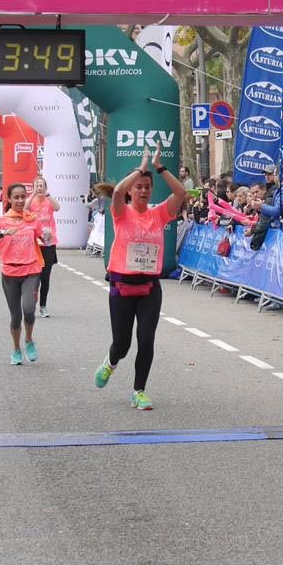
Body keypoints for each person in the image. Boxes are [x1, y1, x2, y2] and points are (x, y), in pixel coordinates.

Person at [94, 146, 187, 410]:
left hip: (149, 288)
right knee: (122, 344)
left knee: (146, 338)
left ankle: (139, 390)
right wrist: (140, 166)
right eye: (139, 187)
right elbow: (118, 192)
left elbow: (180, 193)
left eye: (147, 187)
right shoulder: (121, 212)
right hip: (122, 286)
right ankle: (111, 363)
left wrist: (159, 167)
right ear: (131, 191)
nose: (144, 190)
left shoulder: (158, 214)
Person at [0, 184, 44, 365]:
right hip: (10, 272)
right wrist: (1, 234)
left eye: (23, 197)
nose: (20, 200)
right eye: (16, 197)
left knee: (29, 310)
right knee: (16, 317)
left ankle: (29, 340)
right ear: (9, 199)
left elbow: (44, 236)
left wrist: (46, 235)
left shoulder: (32, 219)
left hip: (31, 270)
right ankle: (16, 349)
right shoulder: (1, 221)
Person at [25, 175, 60, 318]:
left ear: (45, 187)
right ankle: (31, 303)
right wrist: (33, 193)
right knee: (34, 276)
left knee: (45, 277)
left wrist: (48, 195)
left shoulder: (48, 200)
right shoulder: (30, 201)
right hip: (34, 243)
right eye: (37, 185)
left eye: (42, 185)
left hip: (49, 242)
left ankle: (43, 306)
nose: (39, 187)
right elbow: (24, 209)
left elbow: (57, 208)